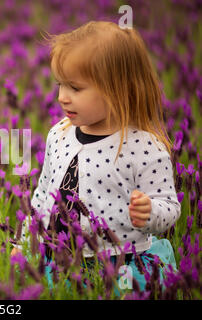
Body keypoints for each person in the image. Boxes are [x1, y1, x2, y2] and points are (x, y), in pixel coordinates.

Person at [11, 21, 180, 293]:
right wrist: (22, 242)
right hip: (61, 258)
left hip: (119, 261)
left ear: (118, 89)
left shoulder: (144, 146)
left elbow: (169, 206)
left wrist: (150, 212)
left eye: (75, 88)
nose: (62, 97)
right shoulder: (60, 134)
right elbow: (43, 195)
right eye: (60, 85)